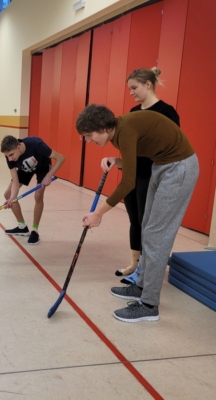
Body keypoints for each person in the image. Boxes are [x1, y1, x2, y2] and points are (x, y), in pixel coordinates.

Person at [76, 104, 198, 322]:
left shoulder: (126, 130)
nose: (88, 140)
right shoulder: (119, 132)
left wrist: (99, 213)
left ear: (103, 127)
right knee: (147, 230)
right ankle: (141, 286)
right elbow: (135, 166)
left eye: (89, 135)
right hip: (161, 166)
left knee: (156, 236)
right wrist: (118, 161)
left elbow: (128, 183)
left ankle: (149, 305)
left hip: (179, 168)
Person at [114, 67, 180, 282]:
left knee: (147, 223)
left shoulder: (167, 111)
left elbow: (172, 146)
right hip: (134, 174)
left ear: (147, 85)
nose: (131, 92)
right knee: (135, 220)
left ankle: (145, 270)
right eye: (129, 88)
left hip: (153, 176)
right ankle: (134, 264)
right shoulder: (134, 113)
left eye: (134, 88)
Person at [0, 135, 65, 245]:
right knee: (8, 194)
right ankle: (22, 227)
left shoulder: (36, 144)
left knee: (38, 195)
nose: (10, 158)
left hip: (42, 167)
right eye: (7, 156)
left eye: (11, 155)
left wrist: (49, 175)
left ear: (18, 147)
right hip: (25, 168)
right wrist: (12, 198)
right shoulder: (9, 156)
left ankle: (34, 230)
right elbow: (15, 182)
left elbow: (61, 158)